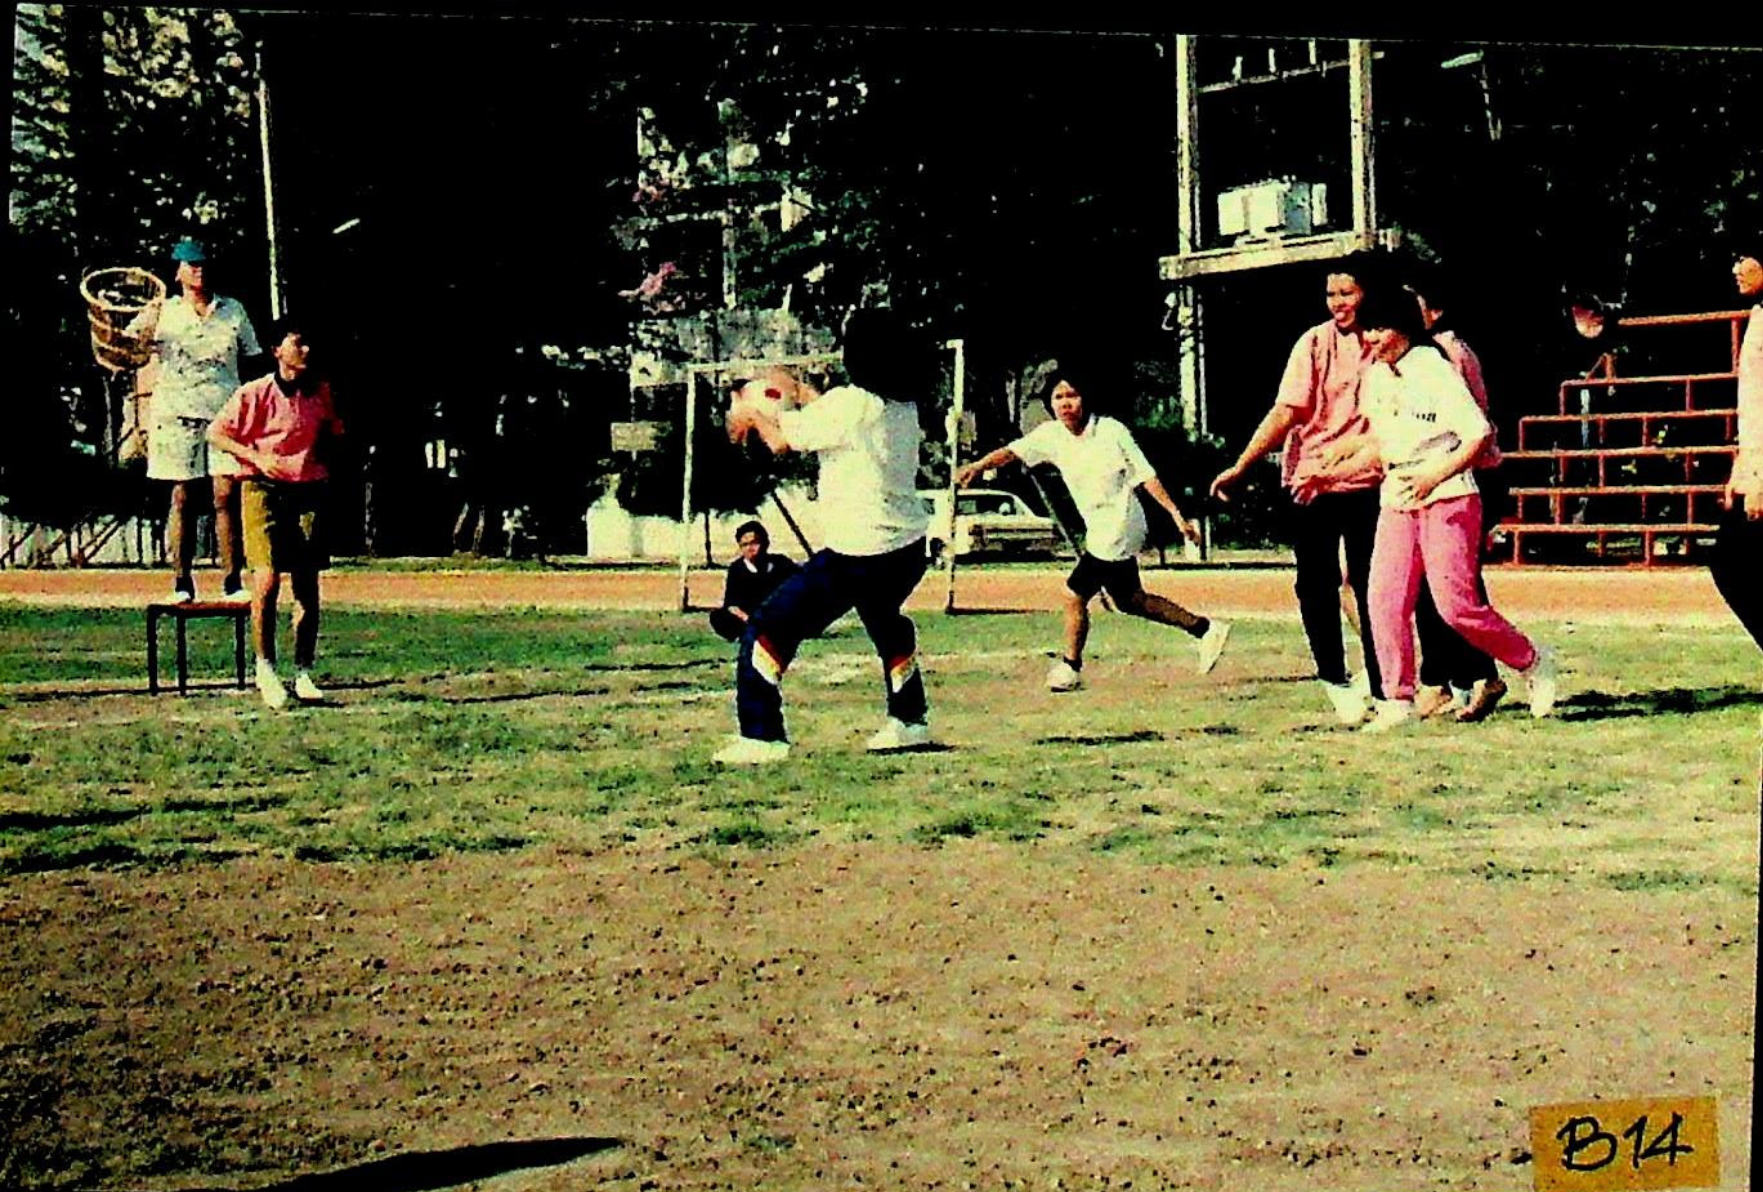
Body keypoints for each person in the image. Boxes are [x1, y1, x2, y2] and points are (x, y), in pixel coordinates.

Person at [716, 310, 933, 764]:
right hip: (906, 549)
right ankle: (910, 720)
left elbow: (781, 441)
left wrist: (751, 412)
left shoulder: (849, 404)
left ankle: (761, 736)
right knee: (886, 622)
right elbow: (830, 418)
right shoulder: (903, 406)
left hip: (860, 551)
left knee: (766, 627)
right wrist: (796, 390)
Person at [1339, 286, 1557, 732]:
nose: (1371, 339)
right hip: (1398, 497)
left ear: (1403, 328)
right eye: (1368, 329)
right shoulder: (1376, 376)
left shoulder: (1434, 368)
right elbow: (1383, 441)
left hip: (1449, 495)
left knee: (1455, 606)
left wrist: (1434, 475)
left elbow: (1477, 434)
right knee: (1382, 599)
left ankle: (1532, 660)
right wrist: (1332, 464)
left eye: (1379, 329)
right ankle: (1396, 700)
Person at [955, 363, 1230, 688]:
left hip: (1122, 524)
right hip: (1100, 529)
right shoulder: (1050, 435)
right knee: (1130, 600)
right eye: (1058, 397)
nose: (1065, 403)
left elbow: (1146, 475)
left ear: (1086, 398)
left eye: (1072, 395)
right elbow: (1011, 452)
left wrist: (1176, 515)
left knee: (1073, 594)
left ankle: (1070, 667)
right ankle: (1205, 629)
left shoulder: (1111, 430)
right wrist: (977, 465)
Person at [1209, 254, 1383, 725]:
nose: (1338, 303)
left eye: (1347, 293)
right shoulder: (1313, 343)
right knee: (1315, 583)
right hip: (1311, 481)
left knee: (1373, 583)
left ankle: (1384, 679)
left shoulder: (1386, 345)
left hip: (1368, 478)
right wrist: (1241, 466)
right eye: (1331, 294)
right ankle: (1335, 679)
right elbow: (1286, 411)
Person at [207, 319, 344, 710]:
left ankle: (303, 671)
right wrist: (254, 457)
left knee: (307, 584)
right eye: (297, 343)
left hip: (308, 489)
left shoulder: (320, 393)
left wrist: (326, 461)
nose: (306, 351)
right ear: (277, 351)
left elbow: (335, 432)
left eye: (308, 344)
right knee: (266, 580)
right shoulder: (255, 393)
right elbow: (216, 433)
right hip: (263, 488)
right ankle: (265, 667)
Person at [1407, 270, 1508, 722]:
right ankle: (1454, 679)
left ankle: (1469, 676)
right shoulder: (1431, 353)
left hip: (1465, 477)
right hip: (1449, 476)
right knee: (1437, 584)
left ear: (1434, 310)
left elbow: (1461, 429)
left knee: (1450, 585)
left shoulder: (1443, 354)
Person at [142, 237, 263, 602]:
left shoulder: (232, 310)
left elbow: (252, 357)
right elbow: (128, 350)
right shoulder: (162, 311)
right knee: (182, 496)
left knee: (225, 495)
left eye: (203, 264)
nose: (199, 271)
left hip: (224, 415)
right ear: (178, 271)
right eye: (191, 265)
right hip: (176, 414)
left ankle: (232, 580)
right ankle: (182, 582)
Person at [1710, 234, 1762, 654]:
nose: (1735, 269)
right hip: (1754, 463)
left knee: (1733, 563)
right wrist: (1741, 466)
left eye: (1743, 258)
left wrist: (1759, 475)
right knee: (1731, 562)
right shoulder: (1758, 314)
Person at [710, 520, 799, 642]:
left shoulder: (781, 563)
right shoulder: (737, 569)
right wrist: (749, 620)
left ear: (765, 543)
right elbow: (732, 605)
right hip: (749, 617)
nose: (750, 548)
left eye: (754, 543)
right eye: (744, 545)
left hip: (778, 615)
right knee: (719, 616)